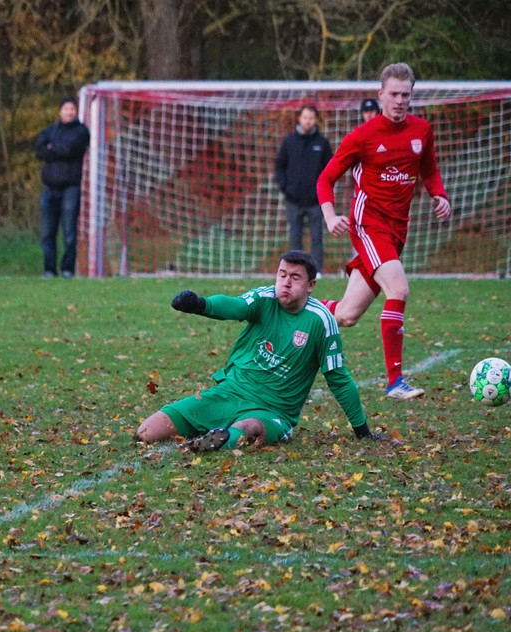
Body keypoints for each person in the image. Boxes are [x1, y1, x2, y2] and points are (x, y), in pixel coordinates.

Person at [136, 250, 381, 452]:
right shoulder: (265, 298)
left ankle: (212, 443)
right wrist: (200, 304)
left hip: (271, 411)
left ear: (311, 285)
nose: (286, 282)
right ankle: (215, 437)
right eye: (282, 274)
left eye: (295, 277)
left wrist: (362, 431)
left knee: (250, 427)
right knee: (147, 432)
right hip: (229, 393)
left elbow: (339, 379)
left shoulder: (321, 321)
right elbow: (236, 306)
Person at [317, 63, 451, 400]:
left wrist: (440, 195)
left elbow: (429, 170)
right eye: (394, 94)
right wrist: (330, 216)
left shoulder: (422, 131)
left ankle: (298, 306)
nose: (400, 100)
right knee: (399, 289)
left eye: (406, 94)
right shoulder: (362, 136)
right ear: (381, 95)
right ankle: (395, 382)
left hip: (396, 232)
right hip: (368, 225)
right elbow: (325, 179)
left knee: (346, 315)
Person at [34, 96, 90, 279]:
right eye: (66, 109)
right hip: (50, 188)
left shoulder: (81, 132)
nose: (69, 112)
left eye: (72, 109)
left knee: (69, 233)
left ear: (76, 111)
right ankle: (49, 270)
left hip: (70, 188)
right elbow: (39, 149)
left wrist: (52, 149)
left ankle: (67, 270)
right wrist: (55, 149)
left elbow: (70, 149)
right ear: (60, 111)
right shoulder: (50, 130)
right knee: (47, 233)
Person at [274, 105, 333, 275]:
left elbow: (330, 170)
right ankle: (295, 271)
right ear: (299, 118)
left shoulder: (322, 143)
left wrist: (323, 191)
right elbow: (279, 165)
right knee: (295, 238)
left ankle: (317, 271)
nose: (308, 121)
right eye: (305, 117)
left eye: (311, 118)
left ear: (315, 120)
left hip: (315, 200)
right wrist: (285, 187)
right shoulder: (289, 141)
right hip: (293, 199)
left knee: (317, 237)